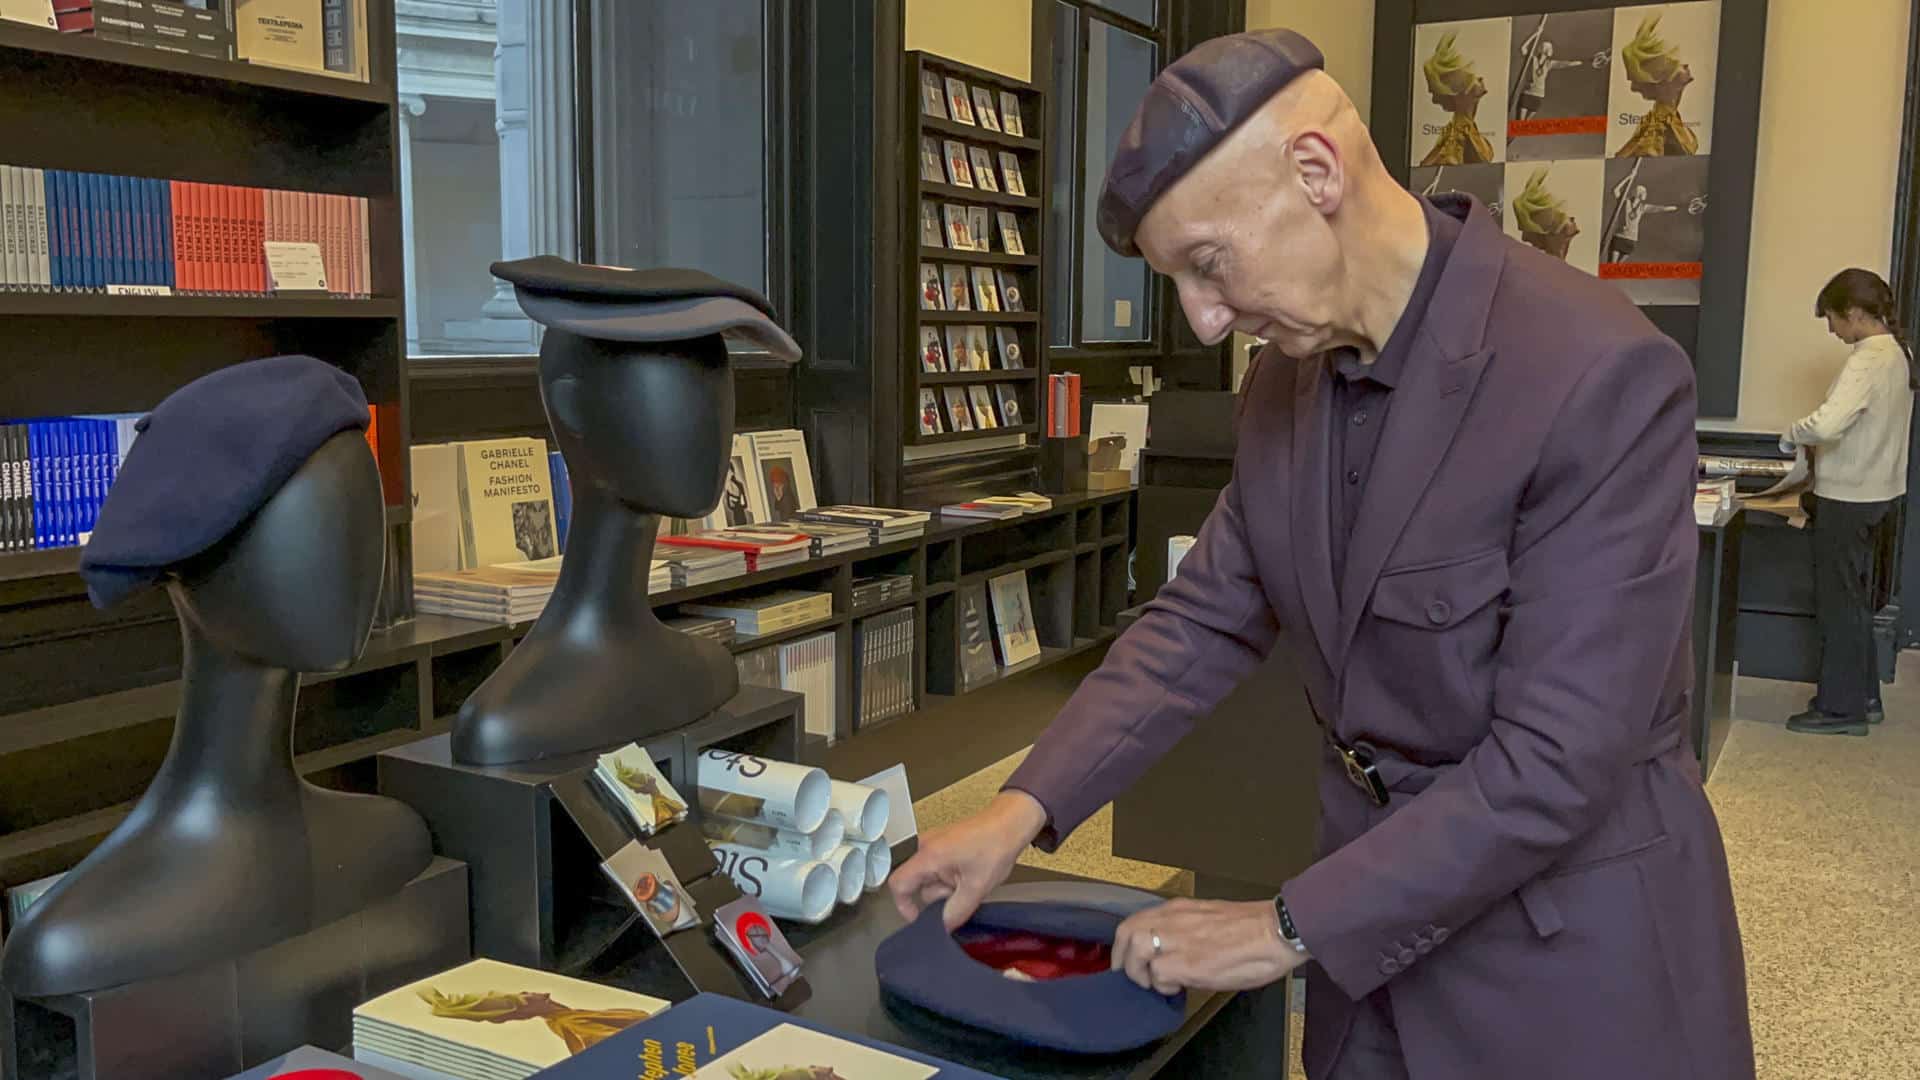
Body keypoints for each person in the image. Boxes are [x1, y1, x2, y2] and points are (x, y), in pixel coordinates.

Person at [891, 28, 1751, 1080]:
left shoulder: (1600, 375)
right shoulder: (1280, 389)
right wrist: (1018, 809)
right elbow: (1200, 619)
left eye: (1210, 266)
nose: (1205, 322)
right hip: (1366, 953)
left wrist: (1278, 927)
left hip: (1559, 962)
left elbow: (1556, 763)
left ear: (1316, 172)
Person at [1782, 269, 1916, 735]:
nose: (1831, 330)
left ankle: (1840, 710)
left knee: (1838, 605)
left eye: (1834, 319)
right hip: (1881, 496)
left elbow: (1826, 426)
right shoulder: (1899, 353)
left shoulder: (1868, 358)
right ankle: (1865, 697)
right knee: (1856, 603)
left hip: (1847, 498)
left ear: (1855, 313)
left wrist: (1790, 433)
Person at [1513, 21, 1583, 121]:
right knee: (1519, 124)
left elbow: (1566, 63)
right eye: (1544, 45)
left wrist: (1582, 62)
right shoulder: (1532, 59)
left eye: (1548, 47)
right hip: (1527, 94)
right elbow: (1523, 48)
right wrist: (1536, 33)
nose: (1546, 47)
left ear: (1549, 50)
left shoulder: (1549, 63)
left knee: (1525, 127)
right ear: (1540, 48)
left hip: (1538, 97)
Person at [1605, 177, 1679, 263]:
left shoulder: (1642, 207)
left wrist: (1674, 208)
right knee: (1611, 267)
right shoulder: (1625, 202)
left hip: (1631, 241)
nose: (1646, 194)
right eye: (1644, 192)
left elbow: (1659, 208)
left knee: (1617, 270)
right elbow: (1615, 190)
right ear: (1638, 193)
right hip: (1619, 237)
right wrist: (1629, 177)